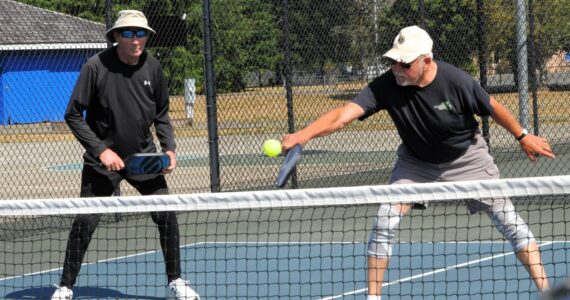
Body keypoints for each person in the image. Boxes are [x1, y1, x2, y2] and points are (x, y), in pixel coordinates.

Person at [281, 25, 555, 299]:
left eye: (405, 63)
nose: (397, 69)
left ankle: (546, 293)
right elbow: (343, 115)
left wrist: (522, 136)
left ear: (426, 60)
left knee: (509, 222)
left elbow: (493, 107)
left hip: (467, 159)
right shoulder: (386, 85)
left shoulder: (456, 81)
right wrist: (302, 135)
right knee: (385, 221)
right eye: (392, 62)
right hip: (415, 162)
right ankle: (373, 298)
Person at [51, 10, 199, 300]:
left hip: (144, 158)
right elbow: (72, 114)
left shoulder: (153, 68)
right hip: (102, 162)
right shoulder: (95, 67)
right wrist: (101, 151)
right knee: (86, 222)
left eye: (141, 33)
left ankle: (176, 281)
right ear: (116, 36)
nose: (136, 40)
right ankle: (66, 286)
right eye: (129, 33)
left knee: (167, 215)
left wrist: (169, 149)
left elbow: (162, 114)